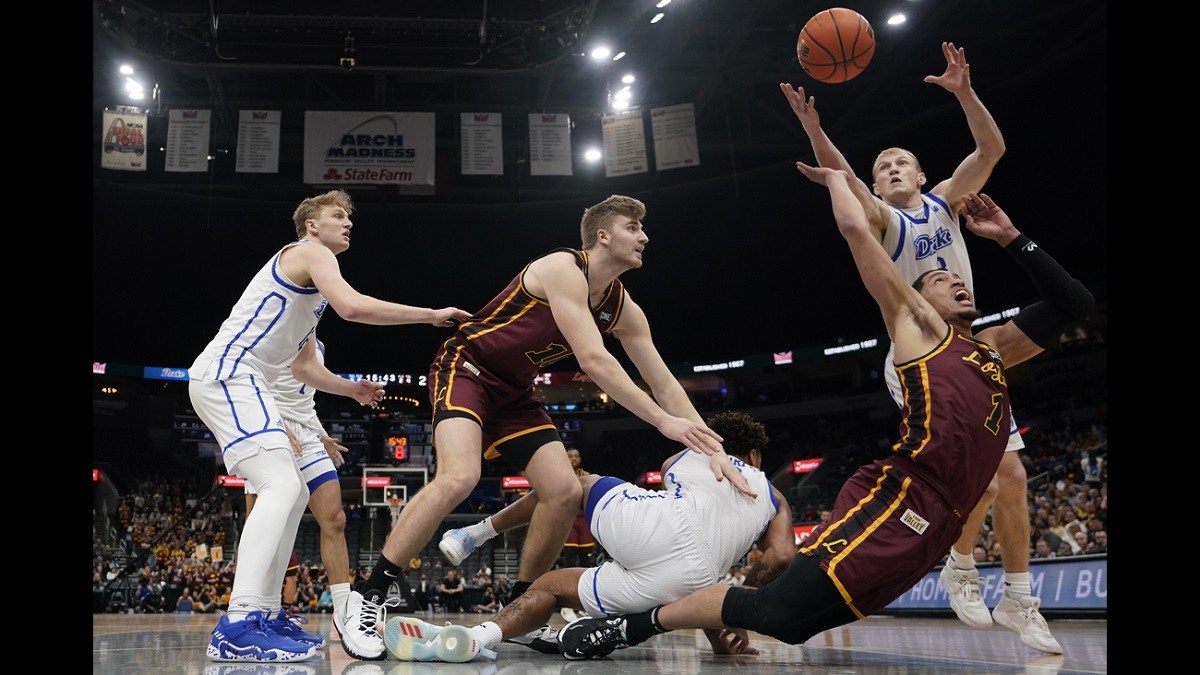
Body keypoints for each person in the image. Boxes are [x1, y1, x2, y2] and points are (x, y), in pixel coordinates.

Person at [556, 173, 1093, 660]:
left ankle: (639, 622)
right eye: (937, 280)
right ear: (916, 299)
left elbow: (1075, 303)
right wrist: (838, 176)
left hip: (942, 523)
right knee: (772, 607)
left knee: (789, 626)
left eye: (959, 277)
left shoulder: (995, 348)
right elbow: (859, 234)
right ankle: (632, 626)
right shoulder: (920, 331)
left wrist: (1008, 235)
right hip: (903, 498)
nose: (956, 280)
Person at [345, 194, 756, 659]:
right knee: (460, 476)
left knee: (564, 491)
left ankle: (521, 610)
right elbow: (594, 360)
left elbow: (662, 379)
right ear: (603, 235)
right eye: (633, 227)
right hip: (468, 368)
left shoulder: (624, 309)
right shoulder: (563, 268)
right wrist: (661, 421)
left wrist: (712, 448)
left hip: (516, 393)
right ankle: (369, 594)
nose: (645, 236)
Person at [779, 41, 1061, 655]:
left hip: (968, 349)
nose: (892, 171)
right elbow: (844, 180)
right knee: (983, 481)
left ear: (924, 174)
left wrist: (963, 92)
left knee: (1010, 479)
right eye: (884, 169)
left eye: (902, 163)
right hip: (916, 356)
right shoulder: (884, 218)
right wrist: (814, 128)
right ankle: (960, 567)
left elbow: (992, 150)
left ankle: (1017, 595)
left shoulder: (947, 205)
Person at [188, 188, 470, 663]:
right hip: (228, 373)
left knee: (293, 491)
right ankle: (236, 623)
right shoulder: (310, 253)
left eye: (349, 217)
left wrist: (352, 389)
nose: (348, 223)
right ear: (311, 226)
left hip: (244, 379)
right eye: (338, 215)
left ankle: (265, 612)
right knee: (278, 485)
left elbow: (303, 368)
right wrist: (429, 315)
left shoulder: (311, 289)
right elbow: (354, 307)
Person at [386, 410, 795, 662]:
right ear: (756, 455)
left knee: (573, 486)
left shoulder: (697, 451)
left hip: (647, 531)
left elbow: (678, 491)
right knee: (702, 570)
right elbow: (779, 558)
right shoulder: (775, 497)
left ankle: (477, 542)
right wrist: (732, 617)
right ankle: (479, 637)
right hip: (689, 582)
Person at [241, 339, 359, 645]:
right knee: (265, 527)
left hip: (306, 435)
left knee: (335, 518)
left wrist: (321, 435)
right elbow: (250, 382)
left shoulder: (317, 342)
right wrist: (274, 423)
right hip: (268, 427)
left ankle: (344, 613)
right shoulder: (273, 327)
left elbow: (303, 401)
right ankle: (257, 612)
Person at [438, 445, 596, 622]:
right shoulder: (559, 474)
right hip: (568, 519)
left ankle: (519, 605)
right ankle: (522, 606)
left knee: (585, 561)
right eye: (571, 456)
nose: (574, 459)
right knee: (555, 495)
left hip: (583, 520)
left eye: (576, 456)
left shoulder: (586, 475)